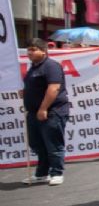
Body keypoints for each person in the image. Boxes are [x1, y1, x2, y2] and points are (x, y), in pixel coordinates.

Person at [21, 38, 70, 186]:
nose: (30, 52)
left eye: (33, 49)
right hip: (33, 112)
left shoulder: (50, 66)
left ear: (43, 51)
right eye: (28, 49)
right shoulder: (33, 67)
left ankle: (57, 172)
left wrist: (43, 108)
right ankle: (42, 173)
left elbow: (53, 88)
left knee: (53, 144)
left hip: (52, 111)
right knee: (37, 144)